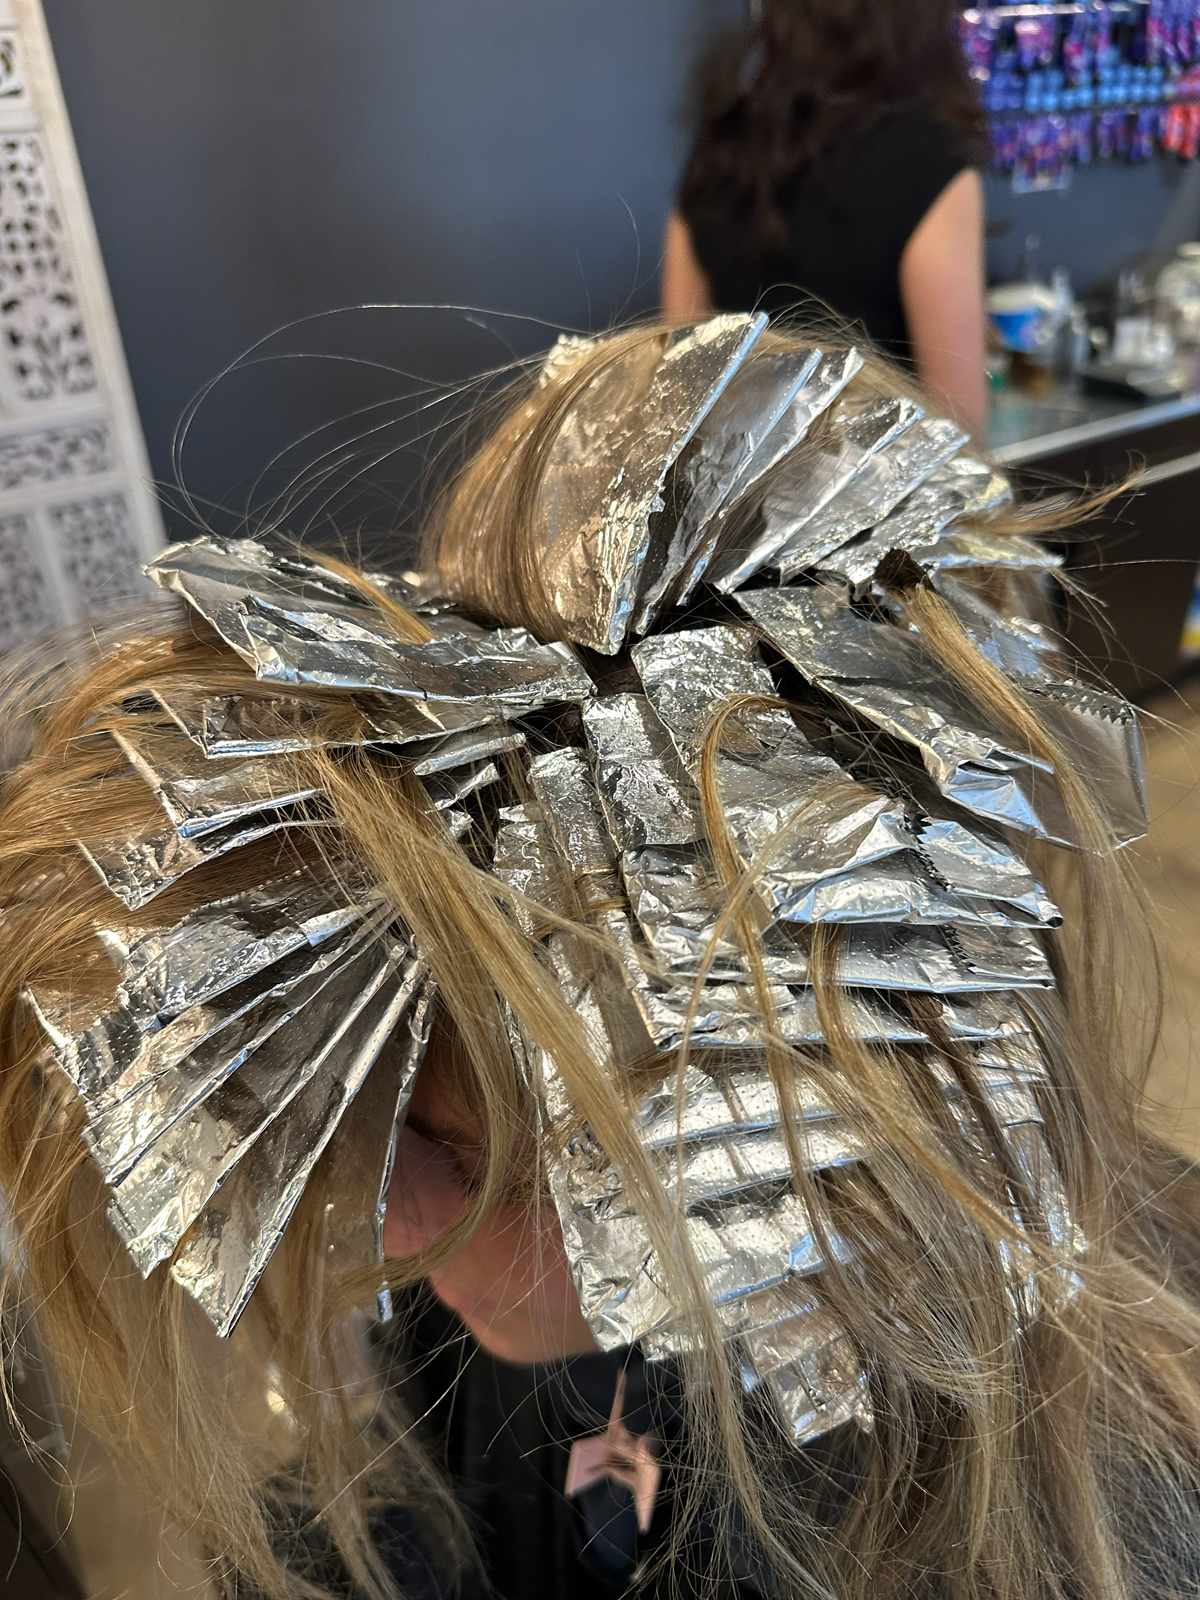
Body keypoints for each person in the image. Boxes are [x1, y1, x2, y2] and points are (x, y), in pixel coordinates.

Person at [0, 314, 1198, 1600]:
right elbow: (415, 1489)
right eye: (383, 1109)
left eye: (487, 1161)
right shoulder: (502, 1306)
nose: (380, 1228)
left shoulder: (1119, 1521)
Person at [663, 0, 989, 435]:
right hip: (874, 475)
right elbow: (959, 428)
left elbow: (681, 367)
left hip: (731, 471)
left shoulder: (722, 144)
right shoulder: (930, 160)